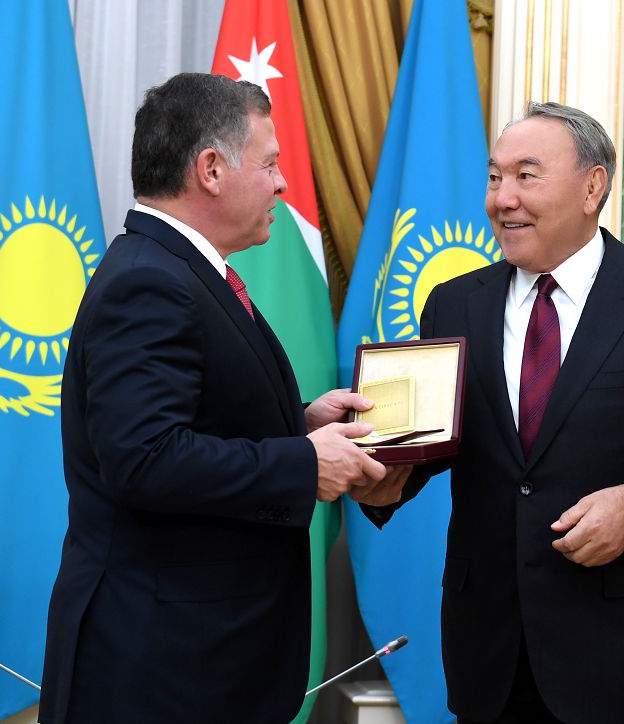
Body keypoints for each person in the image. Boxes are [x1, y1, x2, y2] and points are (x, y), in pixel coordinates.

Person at [363, 103, 624, 723]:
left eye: (526, 176)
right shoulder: (454, 304)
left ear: (592, 187)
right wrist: (383, 476)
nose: (503, 198)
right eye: (495, 177)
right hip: (492, 657)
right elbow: (440, 441)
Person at [39, 73, 398, 724]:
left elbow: (194, 418)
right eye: (270, 164)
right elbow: (144, 459)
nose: (282, 184)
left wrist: (299, 424)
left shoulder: (179, 270)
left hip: (198, 661)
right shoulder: (150, 282)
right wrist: (303, 463)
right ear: (210, 169)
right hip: (161, 672)